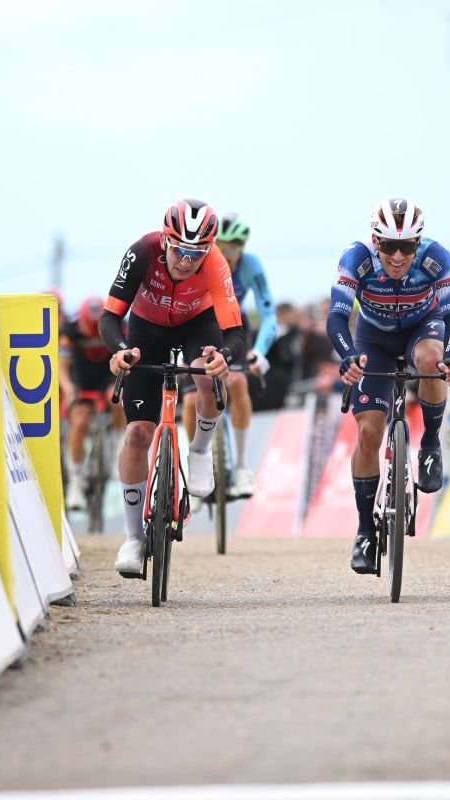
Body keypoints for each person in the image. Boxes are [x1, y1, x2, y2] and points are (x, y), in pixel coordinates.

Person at [100, 199, 245, 577]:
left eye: (197, 253)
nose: (186, 260)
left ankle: (199, 450)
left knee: (206, 376)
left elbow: (234, 331)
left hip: (198, 325)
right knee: (137, 434)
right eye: (179, 250)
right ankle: (134, 538)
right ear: (165, 240)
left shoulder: (215, 263)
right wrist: (120, 351)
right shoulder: (142, 251)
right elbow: (110, 318)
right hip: (146, 331)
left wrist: (224, 356)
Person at [327, 198, 450, 575]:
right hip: (373, 337)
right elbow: (337, 317)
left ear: (418, 243)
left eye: (407, 246)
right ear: (376, 241)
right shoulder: (356, 257)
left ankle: (431, 443)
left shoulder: (437, 257)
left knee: (433, 361)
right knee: (369, 433)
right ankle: (365, 531)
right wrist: (348, 355)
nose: (398, 256)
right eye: (389, 246)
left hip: (423, 326)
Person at [180, 213, 275, 497]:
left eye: (232, 248)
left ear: (242, 249)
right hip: (197, 329)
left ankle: (243, 467)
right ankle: (196, 466)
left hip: (231, 327)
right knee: (190, 401)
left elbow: (268, 315)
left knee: (238, 382)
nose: (226, 254)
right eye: (219, 246)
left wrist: (260, 352)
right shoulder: (199, 262)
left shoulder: (250, 266)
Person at [58, 296, 126, 512]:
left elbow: (129, 361)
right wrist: (69, 388)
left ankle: (117, 447)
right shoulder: (70, 331)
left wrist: (119, 384)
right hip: (82, 377)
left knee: (118, 401)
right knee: (79, 421)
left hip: (109, 373)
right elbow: (62, 366)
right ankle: (76, 481)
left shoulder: (120, 326)